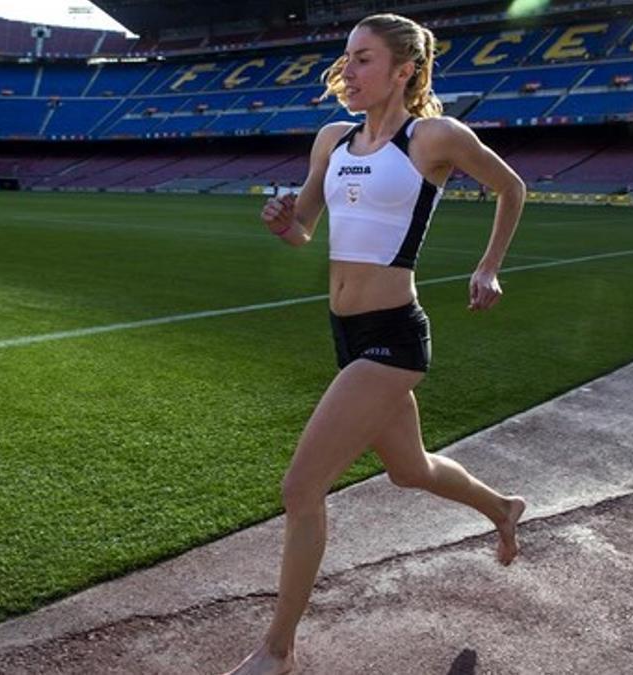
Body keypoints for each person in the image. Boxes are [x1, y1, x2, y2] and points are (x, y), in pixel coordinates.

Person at [224, 13, 528, 675]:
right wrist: (282, 221)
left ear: (404, 70)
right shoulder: (332, 139)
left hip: (393, 335)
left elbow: (511, 186)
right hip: (346, 331)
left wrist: (489, 265)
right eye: (347, 57)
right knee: (409, 468)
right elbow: (304, 226)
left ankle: (277, 651)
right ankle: (503, 507)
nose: (349, 71)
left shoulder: (434, 137)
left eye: (364, 59)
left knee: (301, 488)